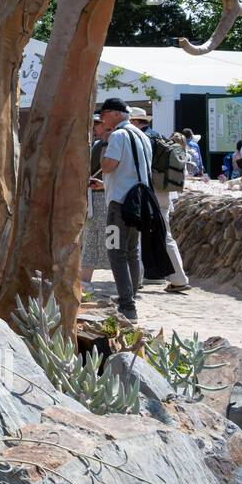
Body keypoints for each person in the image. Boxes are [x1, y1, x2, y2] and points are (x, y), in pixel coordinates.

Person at [99, 98, 155, 321]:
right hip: (140, 200)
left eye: (103, 116)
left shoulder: (118, 135)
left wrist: (103, 145)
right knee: (133, 250)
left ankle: (127, 304)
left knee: (115, 251)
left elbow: (109, 165)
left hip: (119, 202)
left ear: (113, 114)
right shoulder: (142, 135)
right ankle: (130, 296)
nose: (102, 121)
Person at [129, 107, 191, 294]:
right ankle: (179, 279)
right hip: (163, 191)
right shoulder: (159, 137)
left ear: (134, 121)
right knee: (165, 235)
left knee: (136, 233)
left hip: (147, 191)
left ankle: (134, 279)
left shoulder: (140, 138)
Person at [80, 113, 110, 290]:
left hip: (99, 195)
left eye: (97, 124)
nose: (95, 128)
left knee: (97, 236)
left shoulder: (102, 145)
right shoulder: (100, 144)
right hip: (100, 194)